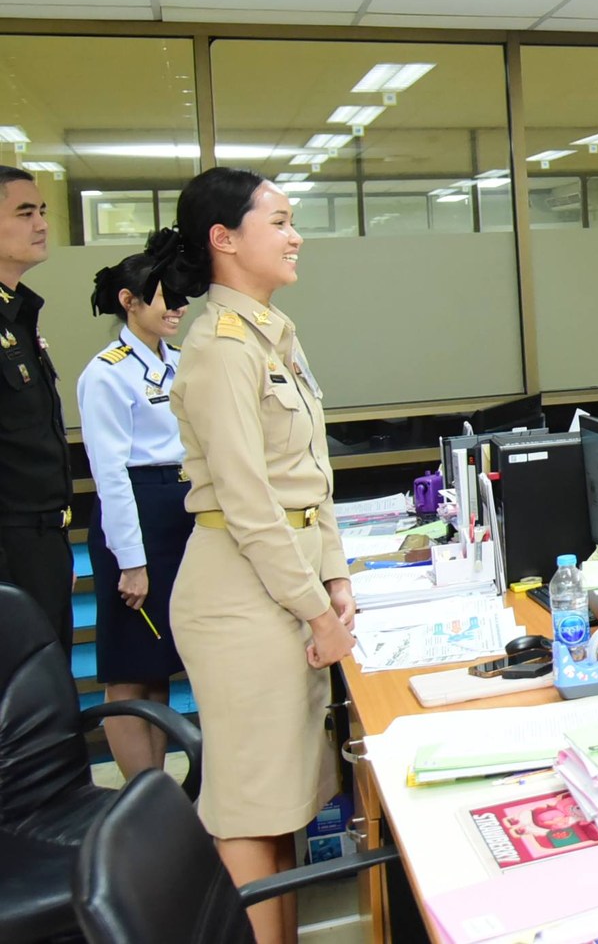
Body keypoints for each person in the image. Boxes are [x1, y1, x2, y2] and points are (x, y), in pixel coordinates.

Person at [148, 168, 353, 944]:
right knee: (249, 805)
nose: (295, 236)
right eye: (279, 220)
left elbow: (310, 476)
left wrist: (335, 575)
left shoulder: (273, 334)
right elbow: (249, 503)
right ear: (224, 238)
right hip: (240, 597)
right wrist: (316, 609)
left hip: (285, 582)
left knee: (284, 802)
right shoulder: (219, 348)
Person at [77, 252, 194, 779]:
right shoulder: (106, 374)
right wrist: (131, 561)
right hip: (135, 514)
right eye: (167, 296)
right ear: (129, 301)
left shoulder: (181, 361)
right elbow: (110, 476)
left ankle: (158, 787)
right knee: (130, 669)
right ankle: (142, 794)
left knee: (158, 664)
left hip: (179, 511)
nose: (179, 307)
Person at [0, 164, 73, 651]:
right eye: (25, 213)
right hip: (10, 548)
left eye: (42, 211)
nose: (42, 224)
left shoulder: (18, 313)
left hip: (43, 543)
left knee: (50, 677)